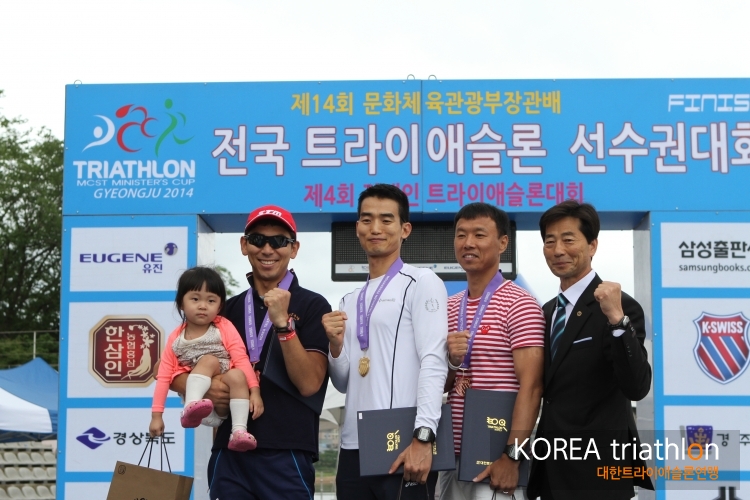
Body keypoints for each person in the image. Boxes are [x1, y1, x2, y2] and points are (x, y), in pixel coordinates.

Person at [170, 205, 332, 499]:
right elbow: (175, 366)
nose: (267, 249)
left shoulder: (312, 305)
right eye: (258, 240)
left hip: (287, 451)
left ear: (294, 249)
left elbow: (310, 383)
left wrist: (283, 325)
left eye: (279, 241)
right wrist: (208, 388)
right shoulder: (225, 309)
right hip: (229, 453)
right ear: (244, 245)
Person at [323, 184, 449, 500]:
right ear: (357, 228)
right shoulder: (350, 299)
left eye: (386, 219)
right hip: (353, 446)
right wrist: (335, 347)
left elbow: (434, 361)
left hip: (403, 442)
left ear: (405, 229)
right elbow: (343, 382)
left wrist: (424, 436)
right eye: (367, 220)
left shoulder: (422, 282)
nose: (375, 228)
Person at [527, 200, 654, 500]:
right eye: (550, 241)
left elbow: (636, 387)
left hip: (599, 473)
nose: (558, 250)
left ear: (592, 245)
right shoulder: (546, 311)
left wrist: (618, 321)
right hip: (551, 469)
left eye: (568, 240)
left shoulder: (620, 307)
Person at [440, 203, 545, 500]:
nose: (468, 243)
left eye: (479, 234)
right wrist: (453, 362)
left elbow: (532, 387)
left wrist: (512, 456)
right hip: (450, 455)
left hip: (495, 457)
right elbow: (441, 384)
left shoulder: (520, 304)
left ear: (502, 243)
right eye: (461, 235)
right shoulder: (449, 307)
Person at [149, 267, 262, 451]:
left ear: (219, 306)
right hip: (200, 406)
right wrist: (156, 416)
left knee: (237, 374)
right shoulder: (176, 339)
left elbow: (241, 358)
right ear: (181, 303)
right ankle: (191, 407)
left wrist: (255, 391)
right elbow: (163, 376)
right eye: (195, 299)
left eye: (211, 300)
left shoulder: (224, 327)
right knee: (209, 360)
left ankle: (239, 432)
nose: (203, 306)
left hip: (226, 404)